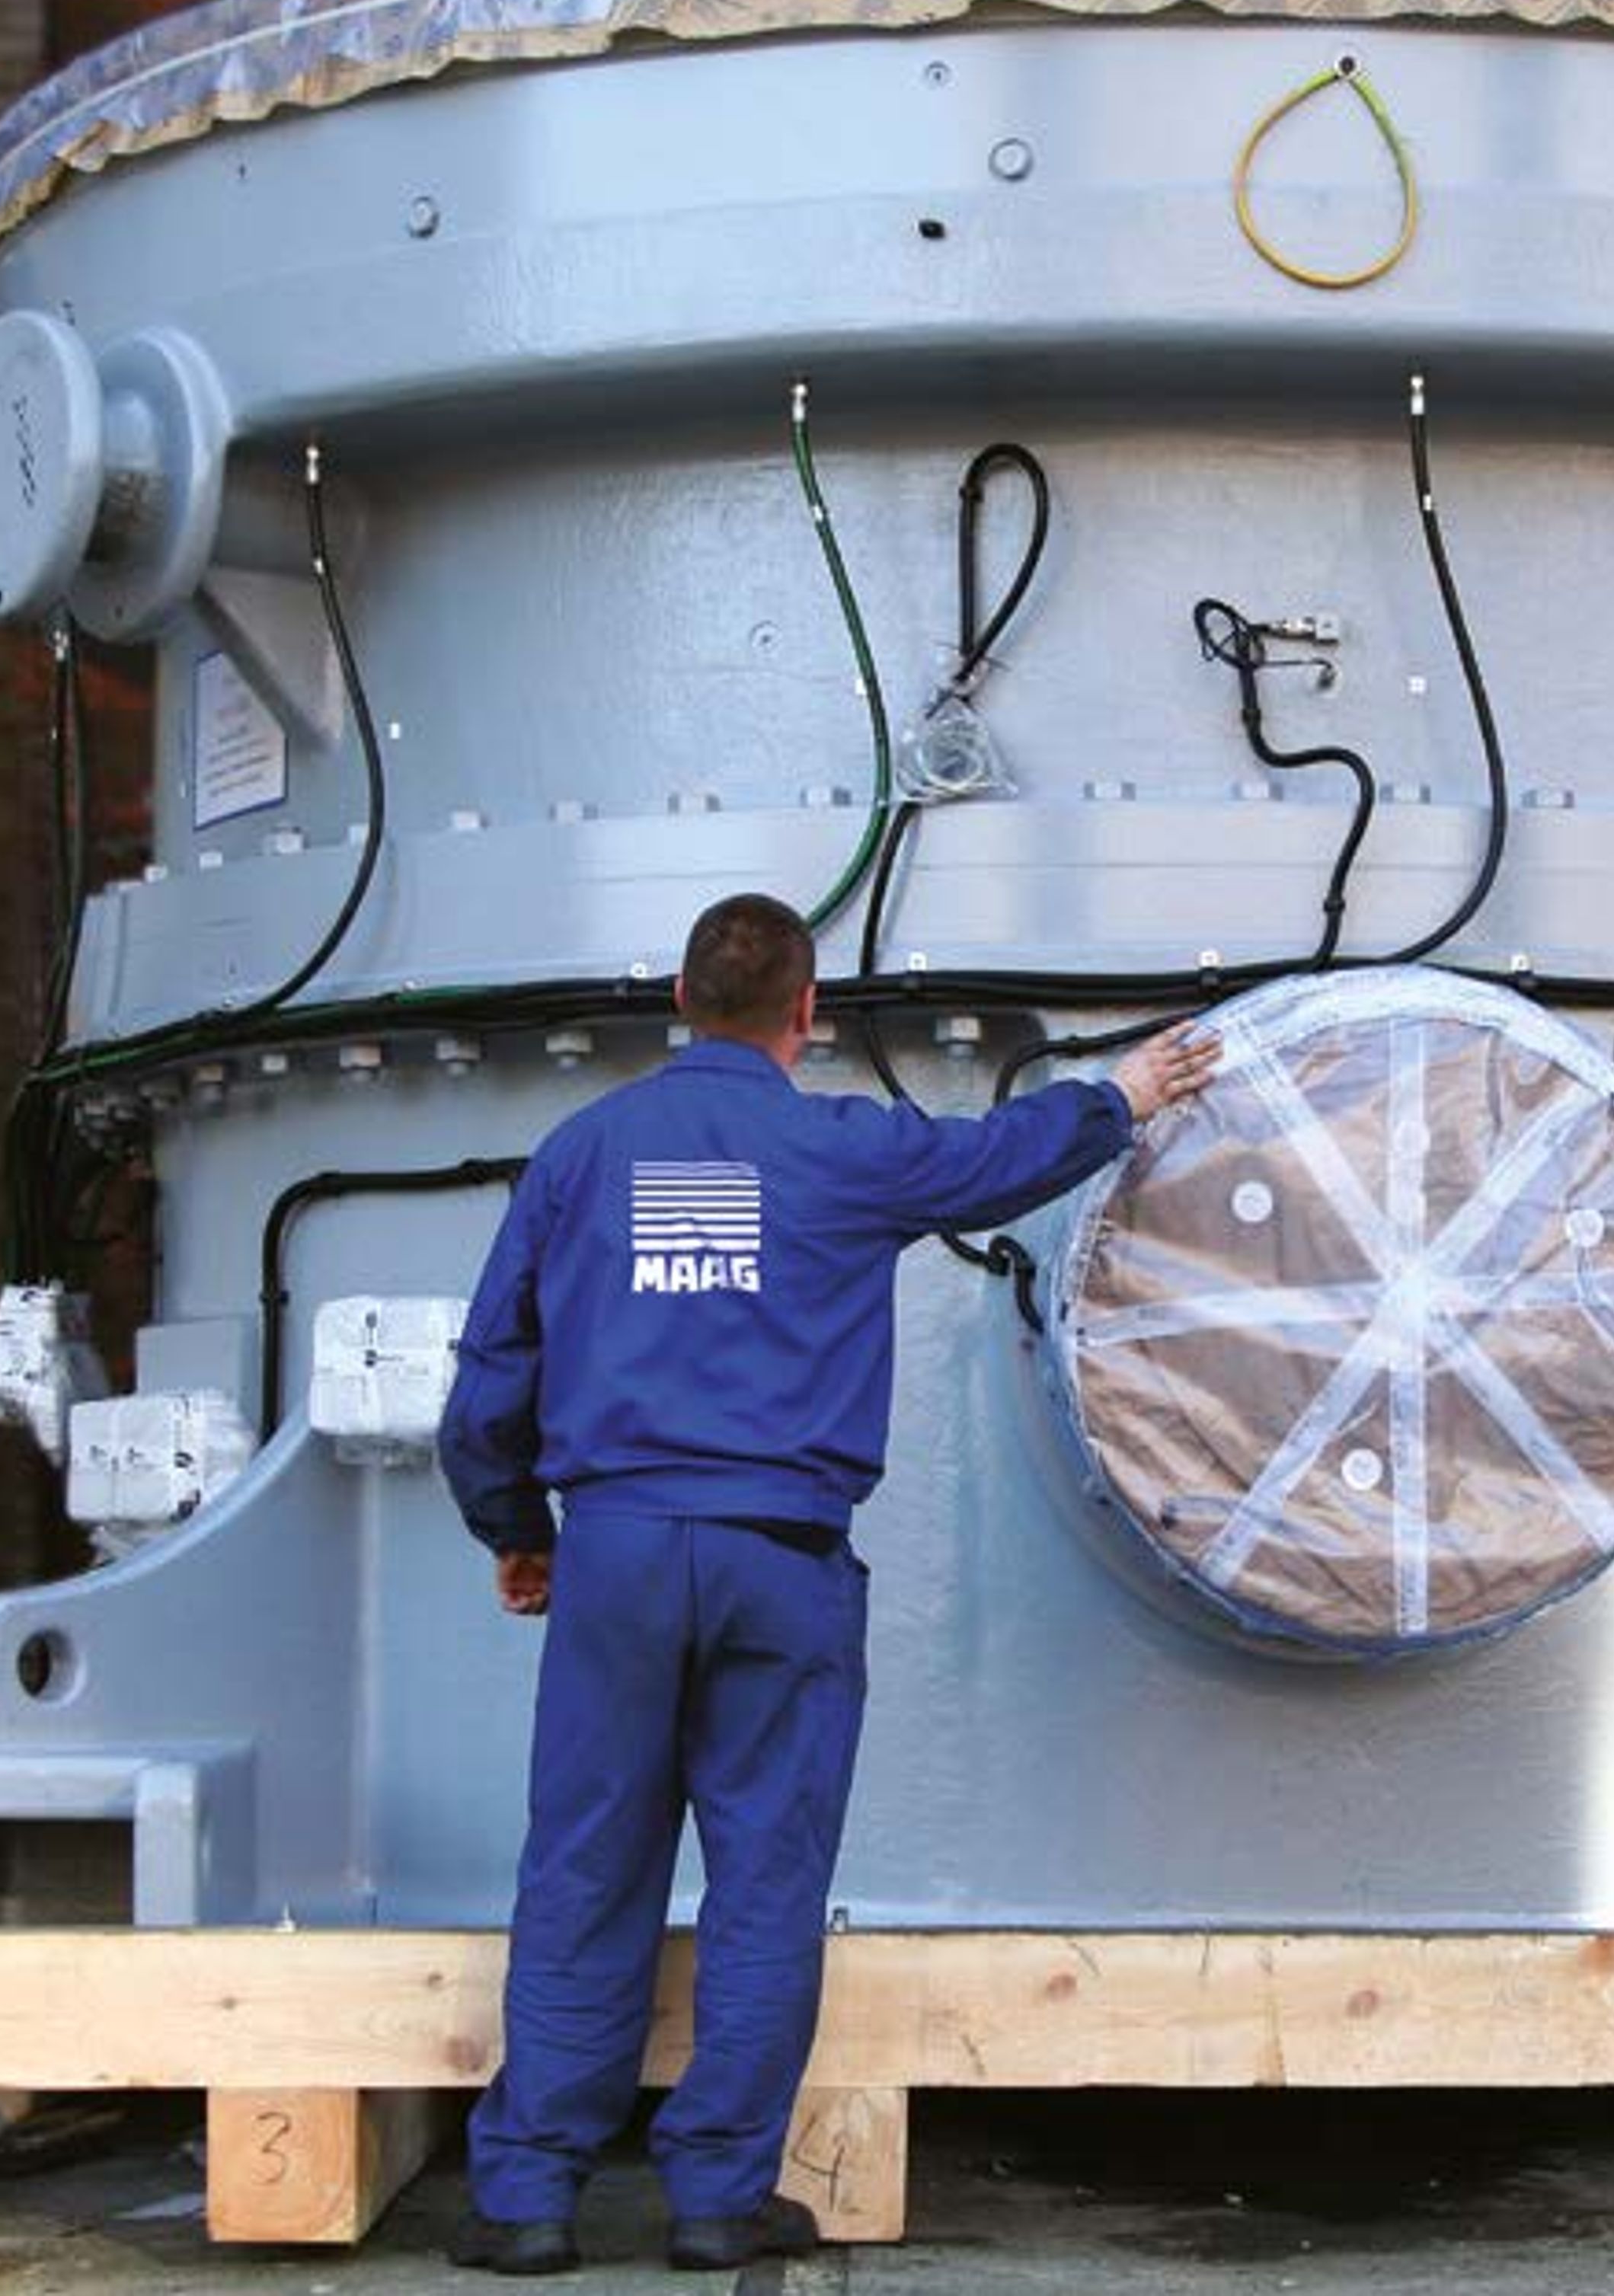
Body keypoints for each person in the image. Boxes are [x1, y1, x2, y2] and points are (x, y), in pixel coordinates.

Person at [438, 890, 1220, 2275]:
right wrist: (1123, 1095)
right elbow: (993, 1161)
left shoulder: (581, 1155)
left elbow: (491, 1370)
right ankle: (715, 2202)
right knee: (763, 1881)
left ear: (679, 1003)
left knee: (582, 1869)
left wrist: (517, 1524)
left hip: (615, 1553)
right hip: (780, 1562)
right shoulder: (840, 1148)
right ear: (808, 1014)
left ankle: (528, 2201)